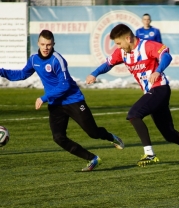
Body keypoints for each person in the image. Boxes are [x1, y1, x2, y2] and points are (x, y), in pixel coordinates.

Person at [86, 23, 179, 173]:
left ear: (128, 38)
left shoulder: (147, 46)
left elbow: (166, 56)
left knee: (134, 114)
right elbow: (108, 64)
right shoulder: (122, 52)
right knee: (169, 133)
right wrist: (94, 73)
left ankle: (149, 153)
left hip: (160, 89)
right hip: (152, 92)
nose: (118, 47)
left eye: (119, 43)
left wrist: (158, 71)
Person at [0, 30, 124, 171]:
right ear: (38, 44)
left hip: (73, 100)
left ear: (53, 44)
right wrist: (1, 71)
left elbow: (64, 86)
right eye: (43, 44)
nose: (46, 47)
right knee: (58, 137)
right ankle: (92, 158)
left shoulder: (57, 60)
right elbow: (22, 74)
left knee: (93, 133)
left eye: (48, 44)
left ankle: (112, 137)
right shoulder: (34, 59)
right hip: (56, 105)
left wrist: (43, 97)